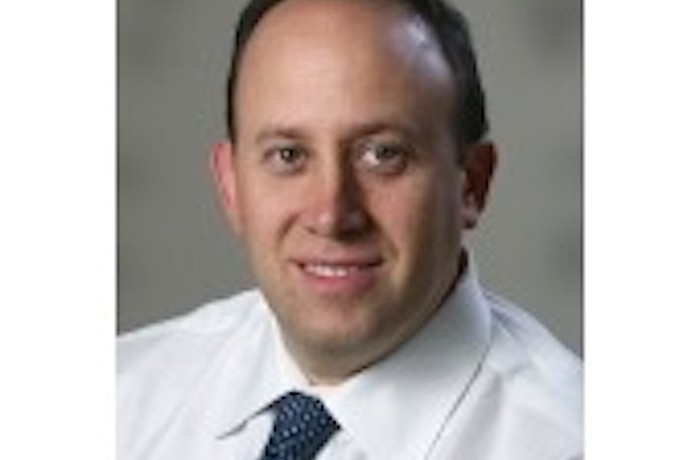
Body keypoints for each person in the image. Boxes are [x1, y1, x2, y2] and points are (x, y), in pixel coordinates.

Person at [117, 0, 582, 458]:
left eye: (383, 154)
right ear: (231, 185)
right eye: (288, 155)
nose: (331, 215)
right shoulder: (123, 397)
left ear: (472, 184)